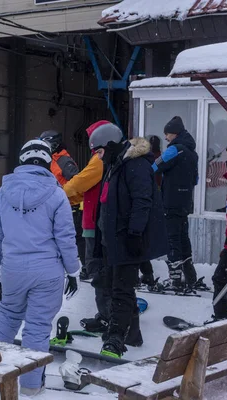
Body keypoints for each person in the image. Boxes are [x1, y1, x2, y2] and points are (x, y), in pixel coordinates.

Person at [0, 139, 80, 396]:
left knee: (6, 318)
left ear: (22, 160)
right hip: (47, 272)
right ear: (47, 162)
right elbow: (65, 238)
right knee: (38, 328)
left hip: (13, 269)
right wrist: (73, 270)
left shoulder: (3, 193)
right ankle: (30, 386)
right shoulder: (56, 193)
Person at [88, 123, 168, 358]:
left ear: (111, 145)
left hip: (126, 239)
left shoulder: (135, 165)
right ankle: (132, 335)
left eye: (100, 152)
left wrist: (134, 234)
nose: (99, 158)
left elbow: (142, 201)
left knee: (121, 290)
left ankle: (115, 338)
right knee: (117, 287)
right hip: (112, 239)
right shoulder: (116, 164)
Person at [153, 116, 200, 290]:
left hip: (171, 201)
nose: (166, 138)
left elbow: (155, 167)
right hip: (185, 202)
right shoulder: (192, 153)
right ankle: (190, 277)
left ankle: (175, 280)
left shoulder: (174, 150)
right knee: (183, 238)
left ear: (175, 133)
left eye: (167, 134)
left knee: (172, 239)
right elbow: (195, 179)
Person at [63, 122, 105, 281]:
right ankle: (91, 270)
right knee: (87, 243)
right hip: (90, 207)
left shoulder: (99, 159)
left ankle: (93, 272)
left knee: (90, 245)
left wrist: (61, 193)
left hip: (93, 211)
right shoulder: (100, 156)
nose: (90, 142)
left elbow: (82, 181)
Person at [39, 130, 85, 263]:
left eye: (46, 143)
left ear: (54, 144)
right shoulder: (50, 159)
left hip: (69, 205)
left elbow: (76, 182)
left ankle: (85, 267)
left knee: (73, 237)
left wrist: (63, 192)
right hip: (53, 204)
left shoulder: (64, 160)